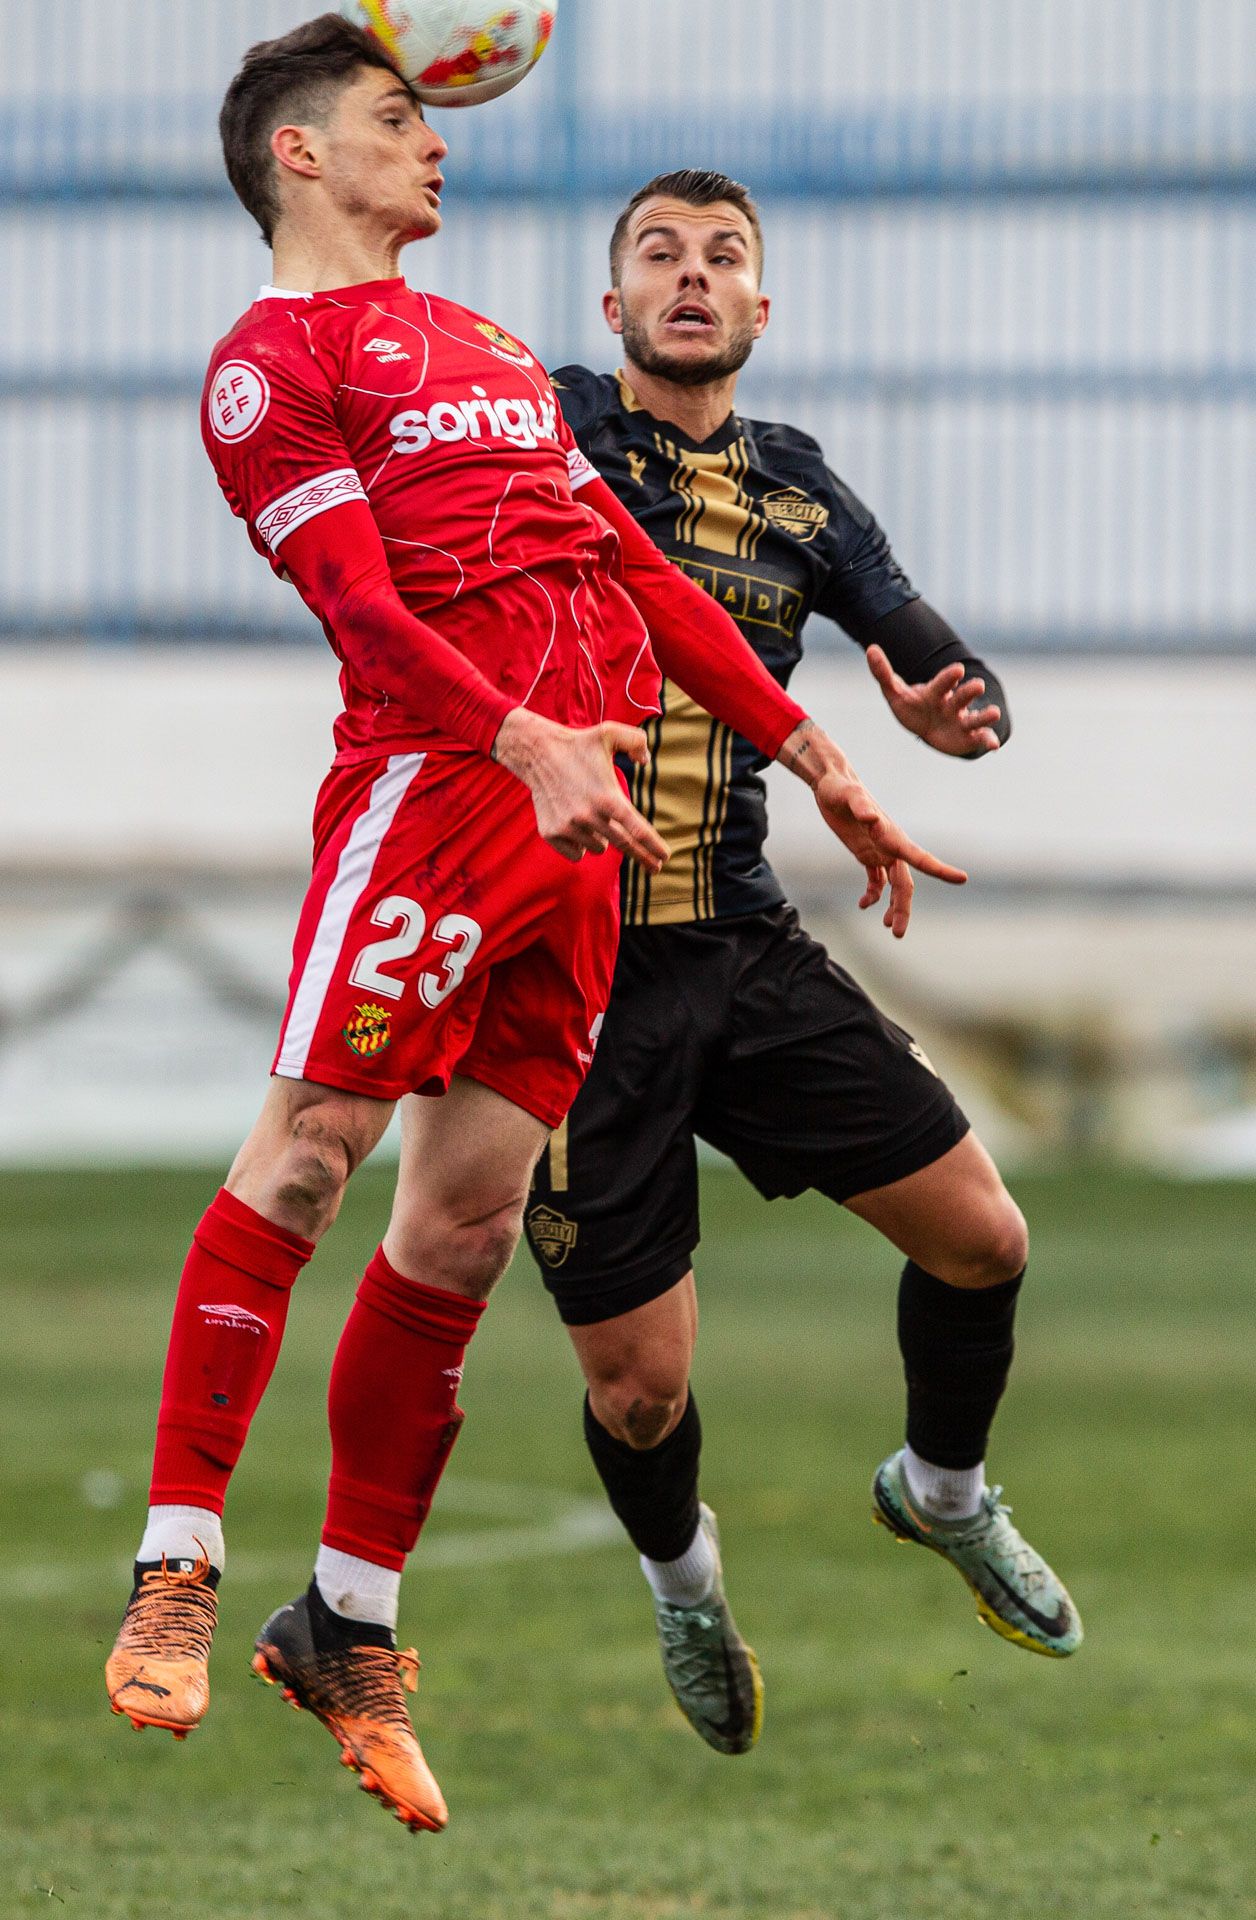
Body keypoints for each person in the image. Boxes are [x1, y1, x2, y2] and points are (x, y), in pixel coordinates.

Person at [103, 30, 965, 1835]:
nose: (439, 148)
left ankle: (348, 1622)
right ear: (298, 155)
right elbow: (355, 604)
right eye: (402, 122)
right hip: (446, 794)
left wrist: (813, 757)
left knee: (472, 1218)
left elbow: (638, 577)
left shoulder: (493, 349)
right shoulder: (272, 367)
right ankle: (176, 1562)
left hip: (591, 826)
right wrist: (518, 736)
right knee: (310, 1156)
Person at [523, 169, 1082, 1758]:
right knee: (639, 1391)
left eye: (723, 260)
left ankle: (943, 1491)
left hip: (745, 936)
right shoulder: (546, 427)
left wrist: (949, 704)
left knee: (984, 1236)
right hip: (579, 967)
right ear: (611, 303)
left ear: (762, 312)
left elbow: (946, 658)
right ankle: (686, 1582)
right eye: (659, 255)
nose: (691, 278)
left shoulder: (801, 491)